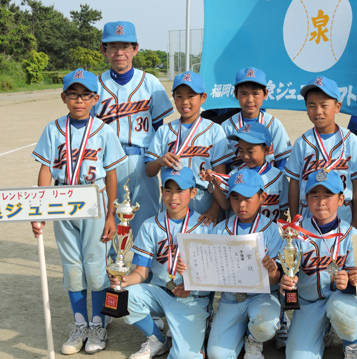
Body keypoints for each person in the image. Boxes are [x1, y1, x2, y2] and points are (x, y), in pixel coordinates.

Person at [31, 69, 127, 354]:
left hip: (94, 197)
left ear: (95, 99)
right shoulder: (53, 129)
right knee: (72, 266)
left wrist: (111, 215)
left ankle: (98, 325)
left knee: (96, 264)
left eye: (86, 95)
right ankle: (80, 324)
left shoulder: (103, 130)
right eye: (73, 94)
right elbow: (46, 169)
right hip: (62, 199)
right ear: (64, 97)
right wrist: (41, 209)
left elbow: (112, 174)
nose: (79, 100)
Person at [109, 167, 212, 359]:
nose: (173, 197)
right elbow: (142, 272)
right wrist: (123, 280)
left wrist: (192, 284)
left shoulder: (206, 226)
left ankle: (199, 328)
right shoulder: (150, 225)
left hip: (192, 299)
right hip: (160, 292)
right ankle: (157, 339)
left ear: (193, 193)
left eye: (180, 190)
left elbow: (215, 275)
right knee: (123, 295)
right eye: (168, 190)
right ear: (161, 191)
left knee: (183, 357)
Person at [95, 21, 174, 237]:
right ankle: (112, 260)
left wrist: (154, 160)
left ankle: (144, 261)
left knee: (146, 224)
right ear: (103, 50)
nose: (119, 53)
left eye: (125, 46)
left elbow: (158, 128)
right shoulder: (95, 85)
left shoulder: (151, 83)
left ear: (135, 49)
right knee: (108, 223)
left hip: (143, 161)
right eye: (113, 47)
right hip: (107, 164)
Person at [280, 170, 357, 359]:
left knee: (341, 309)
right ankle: (324, 331)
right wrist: (286, 279)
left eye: (328, 195)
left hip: (341, 301)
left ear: (341, 199)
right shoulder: (295, 234)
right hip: (308, 304)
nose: (321, 201)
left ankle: (352, 346)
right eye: (314, 195)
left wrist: (349, 283)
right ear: (306, 200)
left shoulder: (352, 235)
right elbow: (287, 270)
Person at [207, 169, 284, 359]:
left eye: (248, 197)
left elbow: (277, 280)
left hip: (262, 297)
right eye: (235, 198)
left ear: (262, 197)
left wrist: (273, 272)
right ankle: (240, 331)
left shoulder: (273, 230)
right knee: (217, 355)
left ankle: (253, 337)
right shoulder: (220, 229)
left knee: (264, 325)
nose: (241, 204)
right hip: (230, 299)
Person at [145, 71, 233, 224]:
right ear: (174, 98)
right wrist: (159, 161)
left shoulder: (215, 130)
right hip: (174, 199)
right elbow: (149, 171)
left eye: (191, 96)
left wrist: (215, 207)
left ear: (203, 98)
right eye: (179, 96)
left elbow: (219, 176)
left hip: (204, 198)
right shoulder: (164, 131)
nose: (185, 102)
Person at [284, 76, 357, 227]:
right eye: (311, 106)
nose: (318, 111)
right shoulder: (302, 142)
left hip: (343, 216)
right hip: (308, 217)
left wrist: (356, 222)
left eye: (324, 105)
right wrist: (295, 220)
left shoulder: (351, 140)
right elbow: (294, 183)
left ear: (337, 107)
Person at [202, 122, 289, 222]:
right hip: (239, 230)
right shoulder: (234, 175)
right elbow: (226, 205)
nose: (245, 156)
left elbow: (284, 210)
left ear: (266, 150)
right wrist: (214, 182)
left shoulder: (278, 177)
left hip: (269, 230)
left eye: (250, 151)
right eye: (241, 150)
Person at [221, 67, 292, 171]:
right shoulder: (227, 126)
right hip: (237, 179)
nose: (250, 100)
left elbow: (282, 161)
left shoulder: (273, 124)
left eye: (255, 93)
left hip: (268, 179)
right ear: (235, 94)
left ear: (265, 93)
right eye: (244, 94)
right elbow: (224, 164)